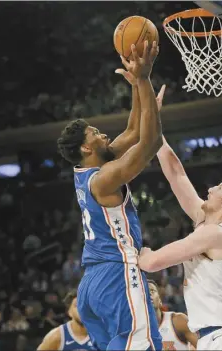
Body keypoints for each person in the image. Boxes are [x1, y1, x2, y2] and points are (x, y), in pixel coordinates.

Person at [57, 41, 164, 350]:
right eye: (95, 133)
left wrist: (135, 83)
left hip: (91, 285)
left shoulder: (91, 169)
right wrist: (144, 79)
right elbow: (150, 142)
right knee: (142, 342)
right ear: (86, 148)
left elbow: (132, 130)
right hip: (116, 272)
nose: (104, 134)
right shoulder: (104, 179)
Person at [138, 136, 222, 350]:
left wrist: (142, 253)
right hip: (215, 333)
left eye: (220, 186)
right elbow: (177, 173)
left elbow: (152, 263)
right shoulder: (205, 223)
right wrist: (154, 128)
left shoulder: (216, 234)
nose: (212, 188)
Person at [148, 280, 197, 351]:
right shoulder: (134, 331)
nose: (149, 294)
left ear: (160, 301)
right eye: (145, 292)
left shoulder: (178, 321)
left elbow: (205, 346)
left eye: (152, 291)